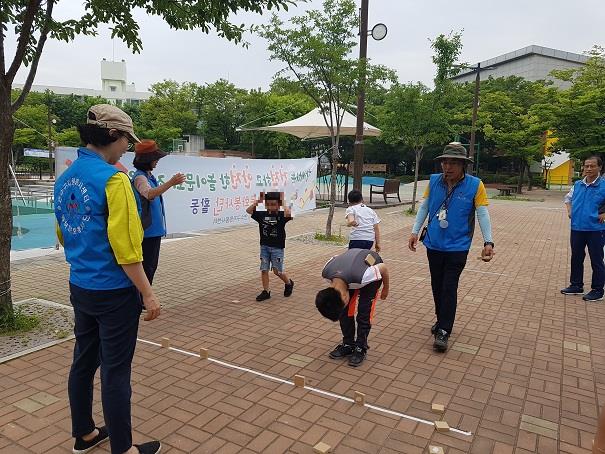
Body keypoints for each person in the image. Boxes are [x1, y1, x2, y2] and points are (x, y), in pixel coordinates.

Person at [54, 104, 161, 454]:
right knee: (116, 373)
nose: (127, 148)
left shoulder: (65, 178)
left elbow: (62, 233)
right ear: (112, 135)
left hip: (80, 285)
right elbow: (128, 248)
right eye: (126, 140)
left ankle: (84, 434)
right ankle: (124, 449)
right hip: (114, 292)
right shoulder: (114, 180)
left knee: (84, 359)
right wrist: (148, 293)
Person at [408, 142, 494, 352]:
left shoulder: (476, 185)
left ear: (463, 165)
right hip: (434, 244)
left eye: (454, 162)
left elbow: (482, 213)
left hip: (458, 246)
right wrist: (414, 231)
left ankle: (445, 330)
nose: (448, 167)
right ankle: (441, 319)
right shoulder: (434, 181)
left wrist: (488, 241)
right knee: (437, 285)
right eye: (445, 162)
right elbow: (425, 207)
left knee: (449, 287)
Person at [316, 248, 389, 367]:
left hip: (371, 266)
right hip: (351, 273)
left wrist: (386, 288)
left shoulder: (364, 276)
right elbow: (335, 258)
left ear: (345, 297)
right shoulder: (326, 272)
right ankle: (348, 344)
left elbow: (384, 268)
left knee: (364, 313)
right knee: (345, 313)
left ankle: (361, 347)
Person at [131, 139, 185, 297]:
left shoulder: (148, 175)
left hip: (153, 230)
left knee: (150, 266)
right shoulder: (140, 177)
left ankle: (142, 297)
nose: (156, 162)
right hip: (147, 231)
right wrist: (171, 182)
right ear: (147, 160)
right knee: (147, 266)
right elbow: (149, 194)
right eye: (155, 159)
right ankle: (141, 298)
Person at [561, 155, 605, 301]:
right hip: (577, 227)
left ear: (599, 167)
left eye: (592, 166)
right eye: (586, 166)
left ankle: (598, 290)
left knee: (596, 259)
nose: (589, 169)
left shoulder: (603, 185)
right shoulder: (578, 184)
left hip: (596, 229)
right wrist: (569, 211)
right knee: (576, 257)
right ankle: (576, 285)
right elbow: (568, 198)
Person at [246, 191, 294, 301]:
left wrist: (283, 202)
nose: (271, 206)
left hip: (277, 248)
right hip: (264, 247)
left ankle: (288, 283)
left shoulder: (281, 216)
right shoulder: (262, 214)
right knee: (264, 269)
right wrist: (258, 201)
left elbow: (290, 214)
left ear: (278, 205)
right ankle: (266, 291)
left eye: (274, 204)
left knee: (278, 271)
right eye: (268, 204)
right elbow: (248, 211)